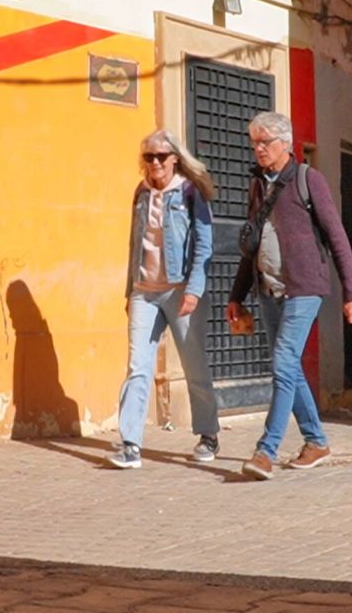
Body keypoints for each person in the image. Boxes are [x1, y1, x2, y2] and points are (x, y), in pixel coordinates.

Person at [228, 112, 352, 481]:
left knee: (283, 364)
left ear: (285, 144)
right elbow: (252, 243)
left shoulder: (308, 180)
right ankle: (316, 441)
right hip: (270, 288)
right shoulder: (258, 185)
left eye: (265, 142)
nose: (258, 149)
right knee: (289, 367)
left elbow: (338, 238)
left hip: (305, 289)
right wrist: (236, 295)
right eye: (254, 142)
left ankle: (265, 451)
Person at [108, 129, 219, 469]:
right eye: (148, 157)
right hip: (145, 291)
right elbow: (134, 244)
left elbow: (204, 244)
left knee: (193, 365)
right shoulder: (140, 193)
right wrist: (130, 291)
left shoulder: (188, 191)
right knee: (137, 366)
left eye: (160, 156)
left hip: (180, 289)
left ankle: (208, 434)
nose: (154, 162)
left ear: (175, 159)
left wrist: (194, 290)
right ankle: (130, 444)